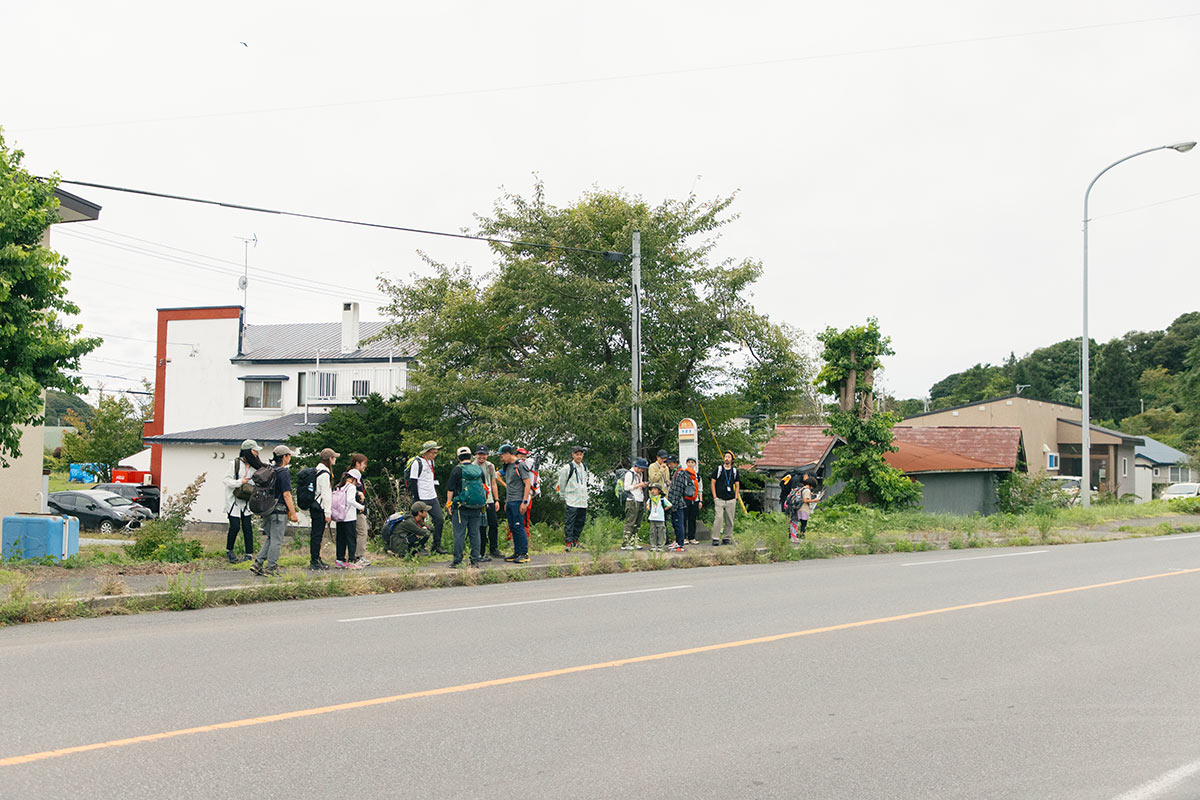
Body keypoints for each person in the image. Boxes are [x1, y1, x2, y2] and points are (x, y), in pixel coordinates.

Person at [251, 445, 298, 576]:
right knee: (276, 540)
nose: (289, 458)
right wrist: (293, 513)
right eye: (288, 456)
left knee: (270, 538)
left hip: (267, 508)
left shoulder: (270, 470)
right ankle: (271, 567)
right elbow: (286, 494)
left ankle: (258, 563)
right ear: (284, 457)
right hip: (279, 510)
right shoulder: (283, 472)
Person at [445, 446, 489, 567]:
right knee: (475, 534)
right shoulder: (478, 469)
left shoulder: (457, 470)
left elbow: (450, 489)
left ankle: (457, 560)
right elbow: (484, 488)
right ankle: (475, 560)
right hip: (477, 506)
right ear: (470, 457)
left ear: (458, 458)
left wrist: (449, 504)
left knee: (459, 534)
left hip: (461, 507)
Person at [221, 439, 263, 563]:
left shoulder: (256, 466)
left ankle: (249, 553)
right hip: (233, 500)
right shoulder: (235, 463)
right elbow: (226, 480)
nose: (256, 453)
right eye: (255, 450)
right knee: (234, 526)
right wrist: (240, 482)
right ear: (248, 451)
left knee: (247, 527)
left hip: (246, 500)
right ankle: (230, 550)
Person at [408, 441, 447, 555]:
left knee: (439, 520)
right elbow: (413, 481)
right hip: (421, 497)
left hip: (432, 496)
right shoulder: (417, 462)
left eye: (436, 452)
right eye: (433, 452)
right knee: (419, 524)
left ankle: (436, 545)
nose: (435, 454)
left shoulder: (431, 462)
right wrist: (417, 499)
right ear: (426, 452)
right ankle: (419, 546)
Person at [498, 444, 532, 563]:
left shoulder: (520, 465)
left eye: (502, 456)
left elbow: (527, 484)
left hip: (519, 500)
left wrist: (524, 501)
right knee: (512, 527)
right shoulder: (507, 466)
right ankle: (517, 552)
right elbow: (500, 478)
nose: (501, 459)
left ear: (508, 454)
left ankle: (524, 553)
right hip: (510, 501)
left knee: (519, 526)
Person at [309, 447, 339, 570]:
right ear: (329, 459)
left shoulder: (317, 470)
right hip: (320, 507)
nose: (335, 460)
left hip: (314, 505)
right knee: (317, 535)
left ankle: (316, 558)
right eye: (334, 457)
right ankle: (315, 560)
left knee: (315, 534)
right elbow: (326, 494)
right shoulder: (324, 473)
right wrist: (328, 512)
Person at [556, 446, 589, 549]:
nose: (579, 456)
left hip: (582, 500)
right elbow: (561, 483)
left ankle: (575, 540)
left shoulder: (584, 467)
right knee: (570, 521)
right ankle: (569, 542)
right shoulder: (568, 468)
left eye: (581, 454)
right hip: (572, 499)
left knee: (580, 521)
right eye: (577, 454)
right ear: (573, 455)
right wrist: (562, 495)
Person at [475, 445, 503, 558]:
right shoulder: (472, 466)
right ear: (476, 454)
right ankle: (481, 550)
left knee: (493, 524)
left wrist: (496, 500)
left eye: (484, 454)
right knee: (481, 526)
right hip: (478, 499)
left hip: (489, 498)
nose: (482, 456)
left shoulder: (490, 466)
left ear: (487, 455)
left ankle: (493, 548)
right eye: (480, 454)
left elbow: (493, 483)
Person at [333, 470, 365, 569]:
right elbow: (350, 500)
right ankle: (352, 560)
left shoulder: (339, 486)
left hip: (339, 516)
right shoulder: (351, 487)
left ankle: (340, 560)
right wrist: (361, 507)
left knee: (340, 539)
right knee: (351, 539)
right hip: (349, 517)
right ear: (354, 479)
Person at [343, 453, 370, 567]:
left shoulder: (348, 475)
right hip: (357, 510)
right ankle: (358, 556)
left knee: (356, 533)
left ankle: (355, 556)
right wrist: (361, 507)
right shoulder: (354, 477)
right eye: (364, 464)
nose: (365, 466)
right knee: (362, 532)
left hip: (353, 511)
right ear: (357, 463)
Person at [709, 450, 740, 546]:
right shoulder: (719, 469)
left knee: (730, 519)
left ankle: (727, 538)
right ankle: (715, 538)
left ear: (732, 459)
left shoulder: (734, 471)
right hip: (719, 498)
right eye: (725, 456)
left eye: (729, 457)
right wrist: (715, 496)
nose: (727, 458)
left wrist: (736, 497)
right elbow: (713, 482)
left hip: (731, 499)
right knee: (718, 518)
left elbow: (737, 484)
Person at [621, 458, 649, 550]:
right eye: (642, 468)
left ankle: (633, 541)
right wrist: (639, 485)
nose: (643, 470)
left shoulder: (639, 474)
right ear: (637, 466)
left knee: (637, 522)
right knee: (630, 522)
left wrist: (642, 485)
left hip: (639, 499)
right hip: (632, 500)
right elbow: (626, 487)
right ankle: (625, 543)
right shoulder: (629, 474)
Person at [666, 456, 691, 549]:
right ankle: (677, 541)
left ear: (676, 463)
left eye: (671, 463)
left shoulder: (680, 473)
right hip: (674, 502)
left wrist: (673, 504)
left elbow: (678, 490)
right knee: (675, 523)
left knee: (678, 523)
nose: (669, 465)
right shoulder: (676, 473)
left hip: (678, 503)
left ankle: (680, 543)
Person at [682, 456, 703, 544]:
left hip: (695, 499)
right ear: (686, 463)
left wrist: (700, 501)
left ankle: (692, 537)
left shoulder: (697, 476)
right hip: (685, 499)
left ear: (695, 464)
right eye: (689, 462)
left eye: (692, 462)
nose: (690, 464)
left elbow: (700, 489)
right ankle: (683, 537)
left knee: (692, 519)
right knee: (683, 519)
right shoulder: (683, 474)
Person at [646, 485, 673, 551]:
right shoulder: (650, 499)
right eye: (652, 489)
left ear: (659, 491)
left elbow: (670, 505)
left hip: (660, 518)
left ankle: (661, 545)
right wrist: (649, 508)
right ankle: (653, 545)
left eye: (655, 489)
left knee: (661, 532)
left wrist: (663, 509)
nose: (653, 491)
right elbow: (647, 505)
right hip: (652, 518)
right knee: (653, 532)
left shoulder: (662, 499)